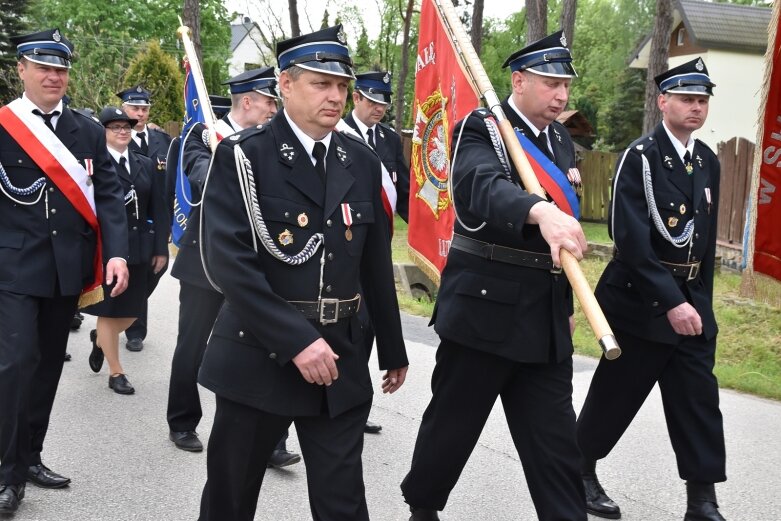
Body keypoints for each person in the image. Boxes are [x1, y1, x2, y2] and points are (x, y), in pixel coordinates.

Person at [196, 25, 409, 521]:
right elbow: (228, 263)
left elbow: (374, 263)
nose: (336, 96)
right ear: (285, 85)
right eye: (321, 83)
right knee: (230, 497)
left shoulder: (360, 158)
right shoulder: (245, 156)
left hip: (340, 356)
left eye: (342, 86)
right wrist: (295, 340)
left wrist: (394, 347)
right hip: (260, 354)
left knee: (343, 504)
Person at [400, 30, 587, 521]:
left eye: (565, 84)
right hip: (486, 309)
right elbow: (480, 188)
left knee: (556, 445)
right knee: (453, 427)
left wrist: (566, 305)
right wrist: (538, 211)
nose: (561, 95)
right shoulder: (480, 127)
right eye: (550, 83)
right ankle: (423, 508)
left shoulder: (562, 140)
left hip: (544, 316)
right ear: (518, 80)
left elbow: (563, 238)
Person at [576, 58, 725, 521]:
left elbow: (703, 240)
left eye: (702, 100)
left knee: (698, 402)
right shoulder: (639, 158)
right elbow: (631, 240)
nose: (696, 108)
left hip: (691, 300)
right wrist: (672, 302)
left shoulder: (707, 161)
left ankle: (701, 500)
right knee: (617, 395)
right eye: (686, 99)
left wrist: (702, 307)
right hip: (641, 300)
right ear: (663, 102)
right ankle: (578, 473)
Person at [0, 28, 128, 515]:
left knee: (48, 366)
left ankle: (30, 455)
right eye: (44, 67)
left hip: (64, 272)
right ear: (23, 70)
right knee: (14, 366)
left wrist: (115, 253)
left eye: (61, 69)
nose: (54, 76)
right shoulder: (4, 124)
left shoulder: (87, 130)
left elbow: (110, 196)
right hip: (11, 267)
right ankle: (6, 473)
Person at [165, 68, 300, 468]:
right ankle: (183, 420)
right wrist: (223, 152)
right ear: (247, 101)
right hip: (206, 263)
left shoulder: (266, 142)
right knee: (192, 344)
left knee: (270, 348)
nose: (274, 108)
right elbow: (203, 179)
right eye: (269, 101)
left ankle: (273, 439)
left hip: (257, 266)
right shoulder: (202, 136)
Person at [81, 107, 168, 395]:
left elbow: (158, 206)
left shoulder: (144, 164)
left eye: (127, 126)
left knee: (134, 310)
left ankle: (100, 341)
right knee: (111, 309)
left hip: (140, 247)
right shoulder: (94, 165)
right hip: (108, 250)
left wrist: (160, 248)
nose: (123, 131)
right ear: (102, 132)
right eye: (115, 126)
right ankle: (116, 372)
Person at [343, 70, 410, 435]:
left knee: (367, 330)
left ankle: (356, 407)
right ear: (357, 99)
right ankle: (281, 428)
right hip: (343, 248)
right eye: (372, 102)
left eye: (384, 104)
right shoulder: (336, 133)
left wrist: (428, 228)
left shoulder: (387, 138)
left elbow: (406, 194)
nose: (379, 110)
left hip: (377, 251)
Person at [117, 85, 173, 352]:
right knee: (132, 274)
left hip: (157, 219)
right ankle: (133, 329)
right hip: (127, 220)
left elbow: (171, 183)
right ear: (124, 110)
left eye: (144, 108)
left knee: (155, 270)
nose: (140, 113)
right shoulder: (115, 137)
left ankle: (117, 318)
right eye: (134, 108)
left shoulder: (163, 141)